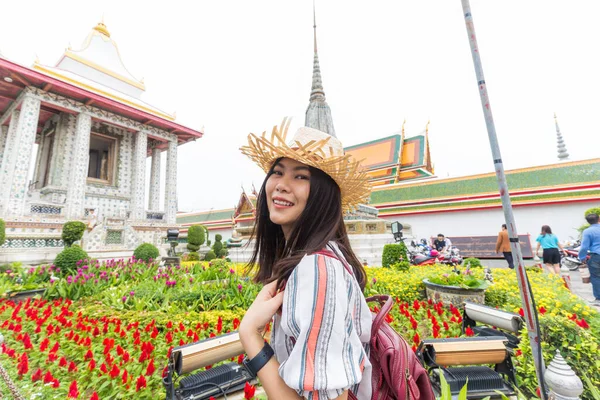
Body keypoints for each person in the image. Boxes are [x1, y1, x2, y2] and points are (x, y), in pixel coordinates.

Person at [238, 122, 373, 399]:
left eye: (301, 177)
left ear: (323, 195)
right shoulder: (310, 259)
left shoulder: (318, 269)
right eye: (277, 172)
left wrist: (250, 334)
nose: (281, 186)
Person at [579, 213, 600, 307]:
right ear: (598, 219)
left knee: (595, 277)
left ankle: (598, 299)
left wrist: (582, 257)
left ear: (587, 222)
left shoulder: (587, 231)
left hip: (595, 256)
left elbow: (584, 247)